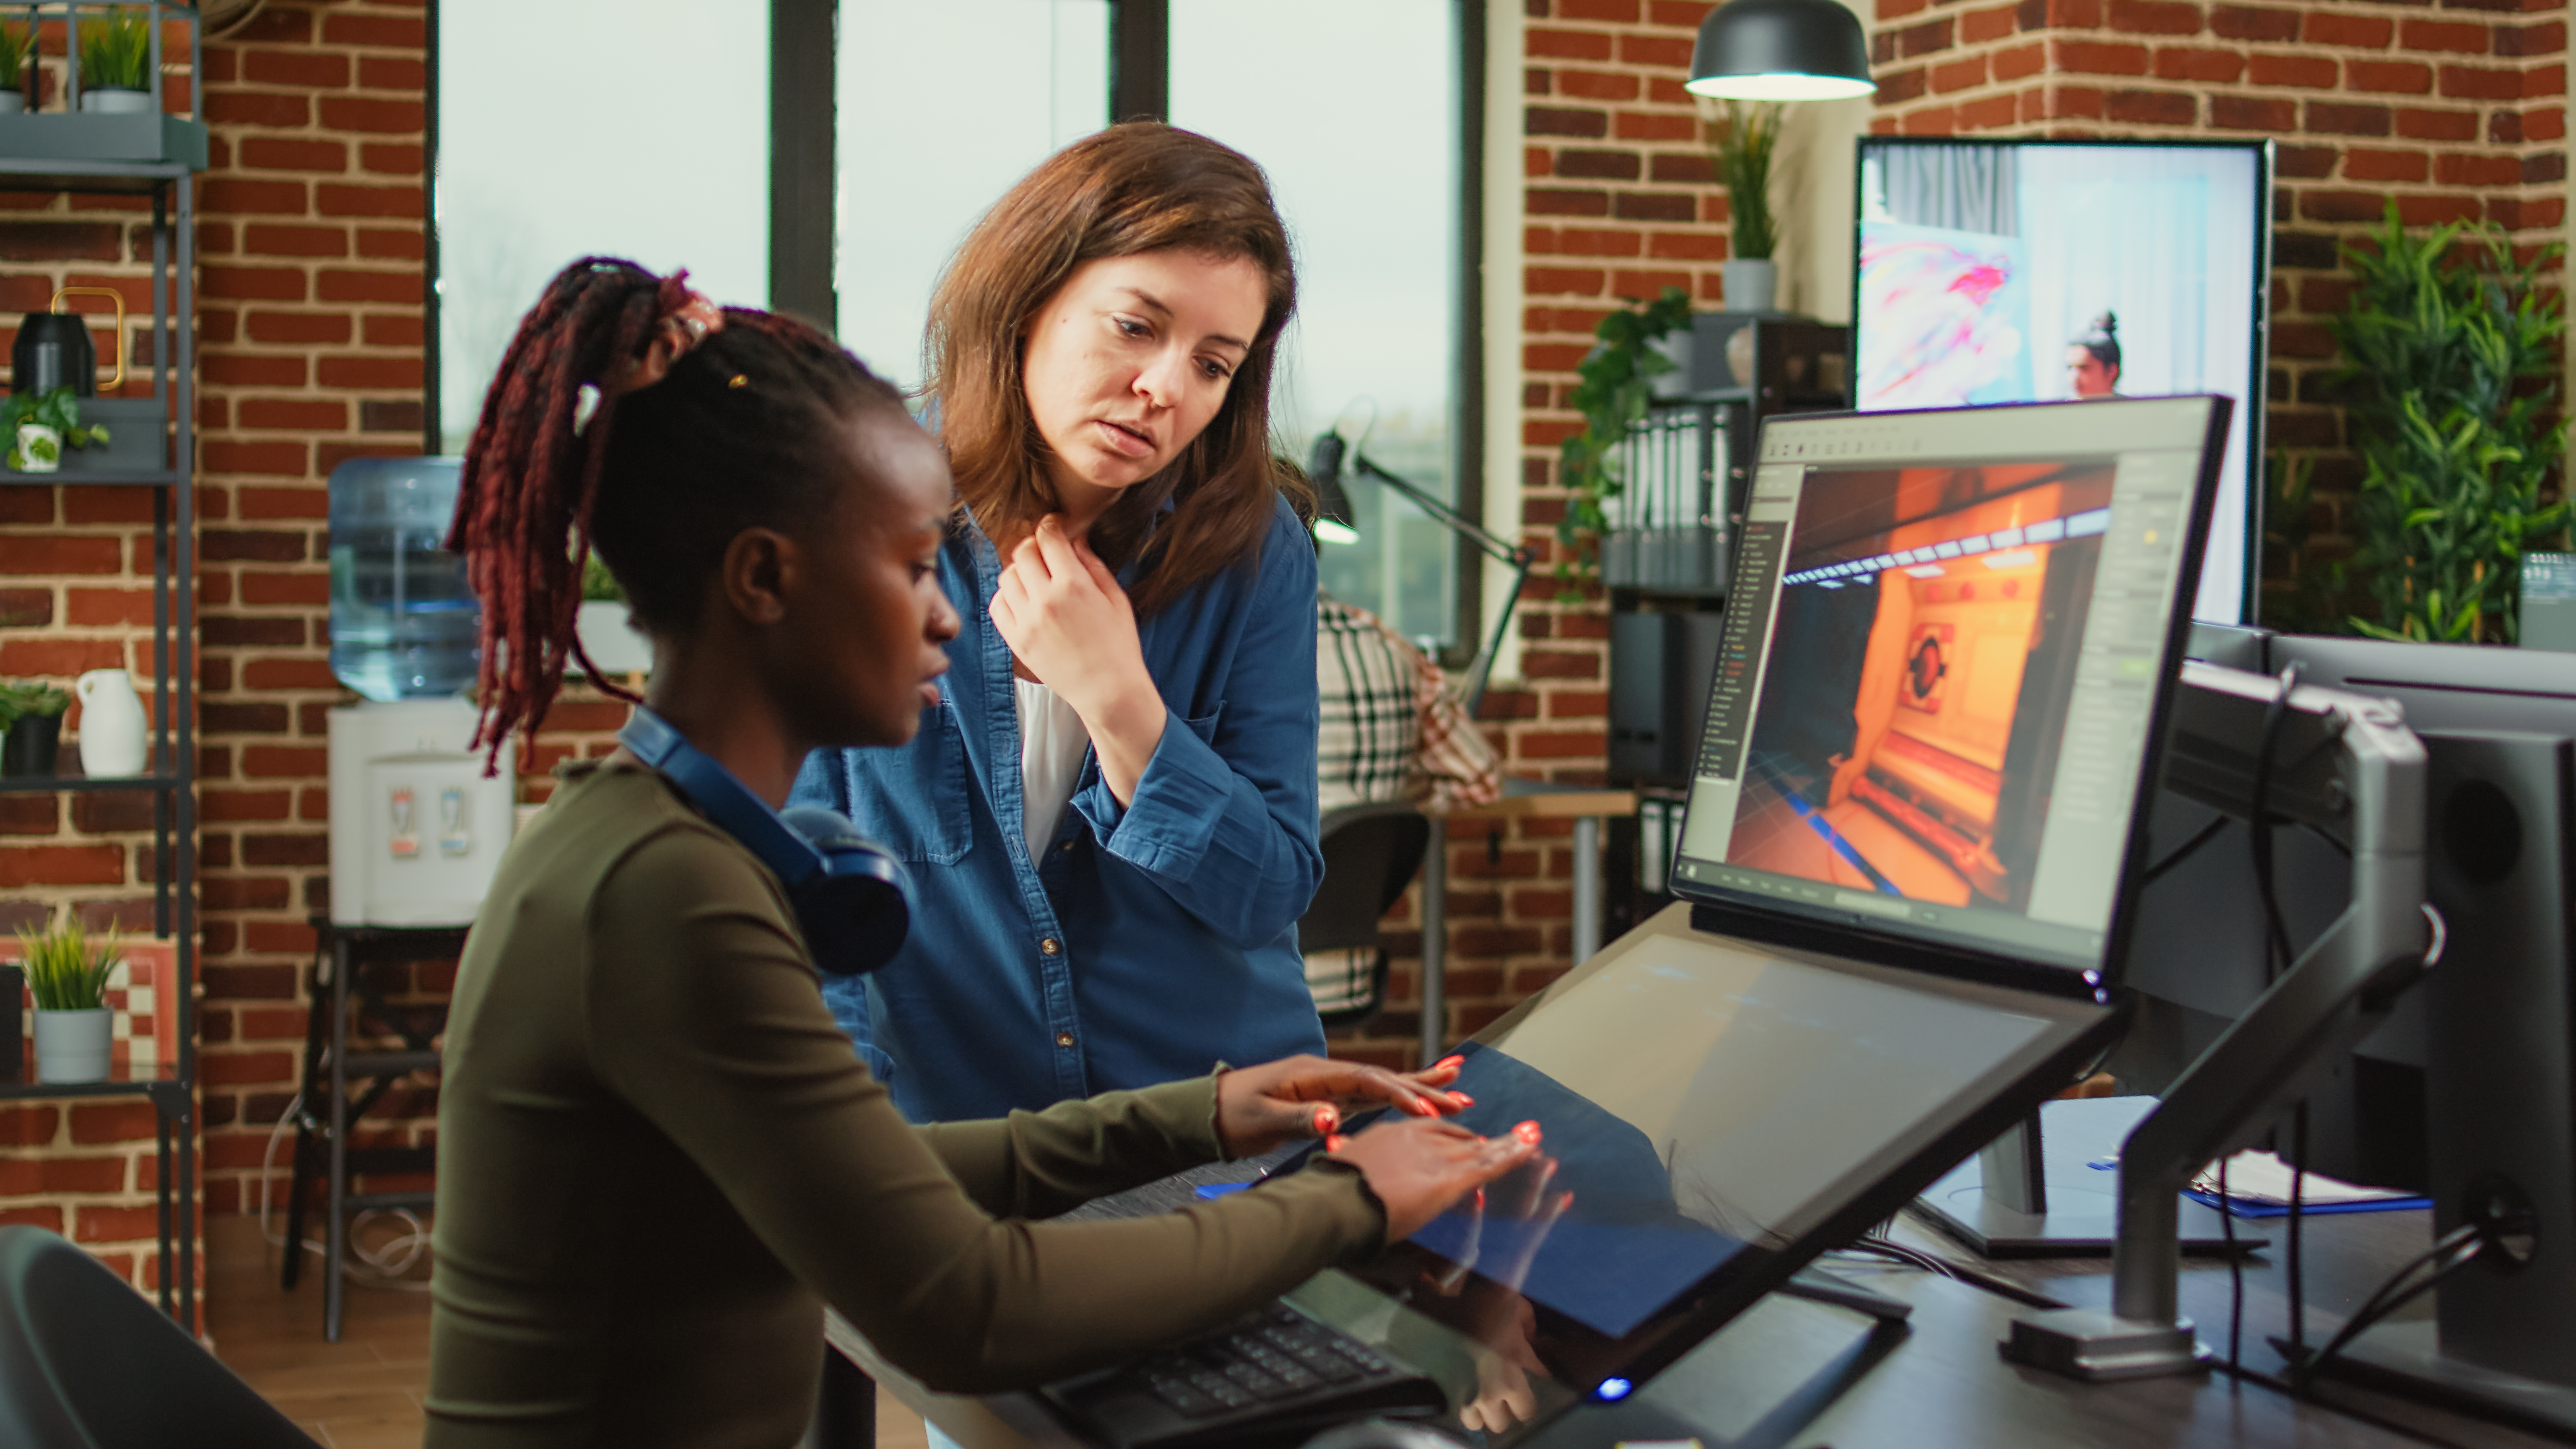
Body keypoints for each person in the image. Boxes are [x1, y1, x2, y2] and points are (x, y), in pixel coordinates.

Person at [423, 258, 1546, 1448]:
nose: (952, 616)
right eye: (913, 569)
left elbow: (882, 1168)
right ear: (764, 579)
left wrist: (1200, 1115)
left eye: (1214, 363)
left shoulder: (655, 839)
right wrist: (1356, 1201)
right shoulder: (664, 898)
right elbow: (968, 1306)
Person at [793, 123, 1332, 1123]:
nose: (1165, 389)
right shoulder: (849, 518)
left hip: (1209, 1131)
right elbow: (799, 911)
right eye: (1135, 326)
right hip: (950, 1154)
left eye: (1213, 365)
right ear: (1026, 299)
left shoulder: (1255, 549)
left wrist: (1123, 706)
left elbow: (1267, 891)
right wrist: (847, 1163)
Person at [1307, 591, 1502, 1017]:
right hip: (1347, 969)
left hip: (1242, 975)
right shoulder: (1390, 647)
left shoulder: (1232, 648)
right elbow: (1479, 779)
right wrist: (1390, 798)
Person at [2067, 311, 2122, 398]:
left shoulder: (2136, 410)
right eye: (2070, 368)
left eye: (2084, 368)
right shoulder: (2062, 411)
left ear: (2112, 371)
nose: (2074, 376)